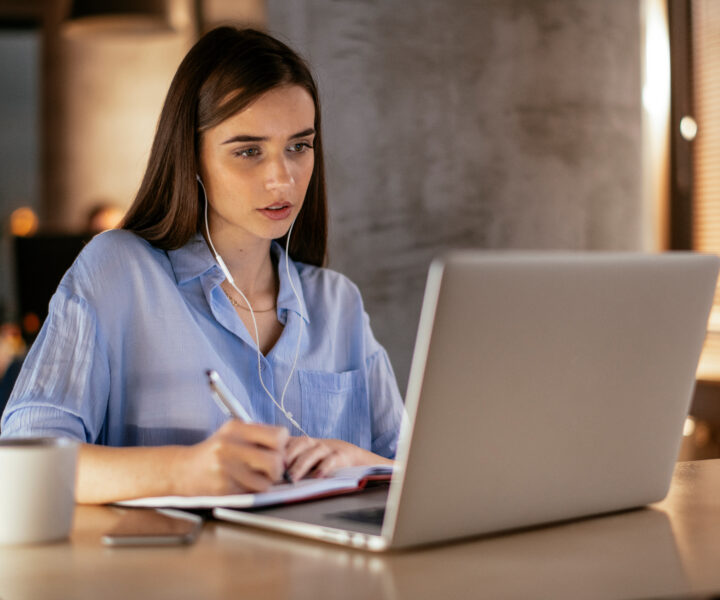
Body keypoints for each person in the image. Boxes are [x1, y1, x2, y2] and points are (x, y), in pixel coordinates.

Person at [0, 27, 404, 504]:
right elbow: (20, 466)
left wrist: (362, 463)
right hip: (172, 575)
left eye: (299, 146)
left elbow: (419, 469)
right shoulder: (120, 272)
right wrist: (184, 469)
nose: (283, 178)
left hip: (326, 577)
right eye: (249, 151)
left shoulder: (338, 304)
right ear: (191, 155)